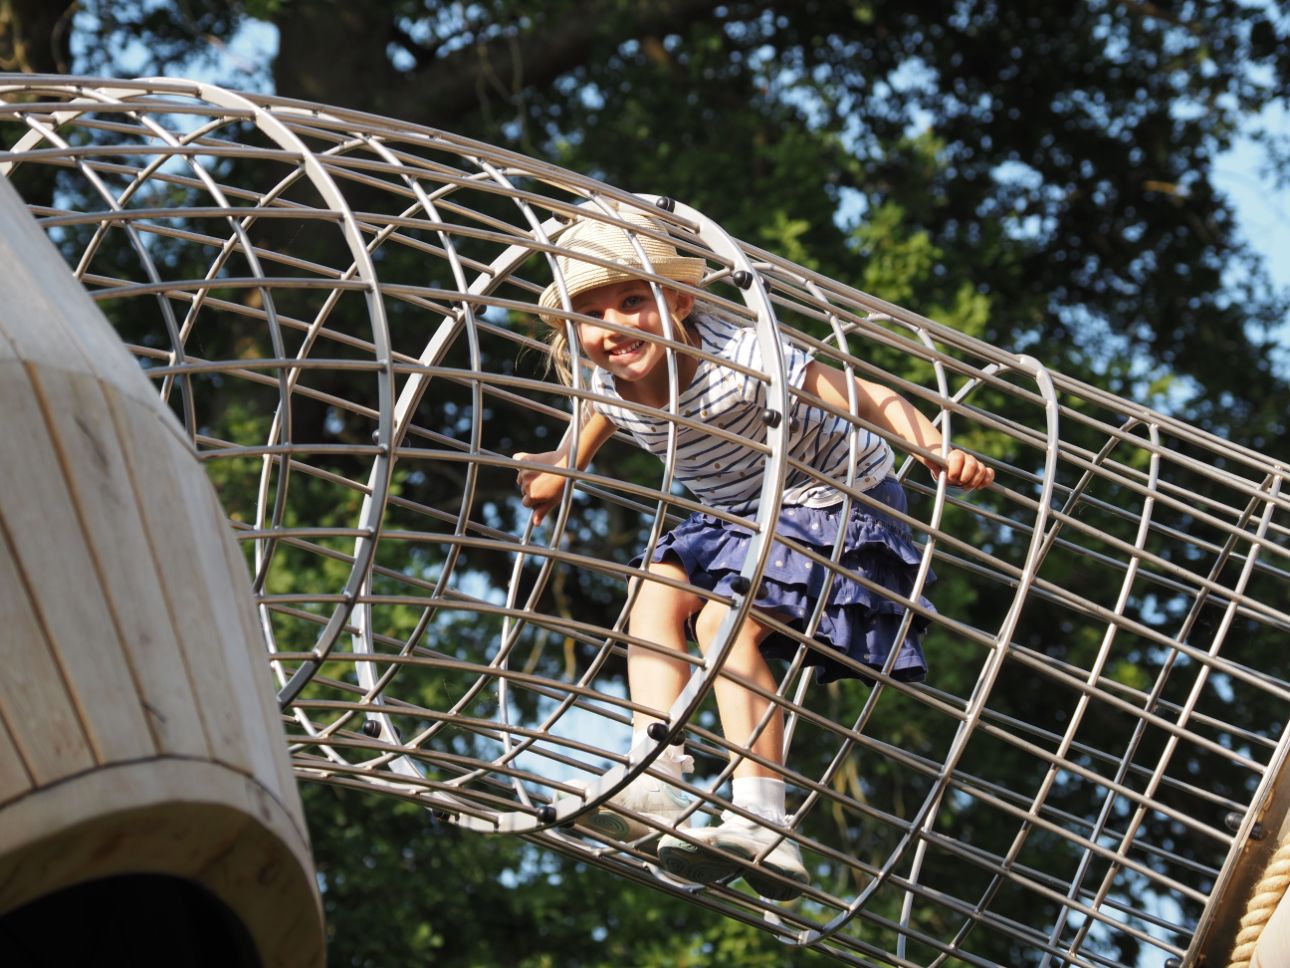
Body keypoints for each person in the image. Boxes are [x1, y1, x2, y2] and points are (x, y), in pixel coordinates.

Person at [514, 205, 993, 900]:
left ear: (678, 300)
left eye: (632, 301)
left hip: (837, 504)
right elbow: (598, 415)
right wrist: (561, 469)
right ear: (572, 332)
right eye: (592, 315)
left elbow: (865, 396)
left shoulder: (741, 360)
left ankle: (764, 821)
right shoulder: (606, 379)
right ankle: (655, 774)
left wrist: (935, 449)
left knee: (721, 624)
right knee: (652, 592)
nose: (614, 326)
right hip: (744, 513)